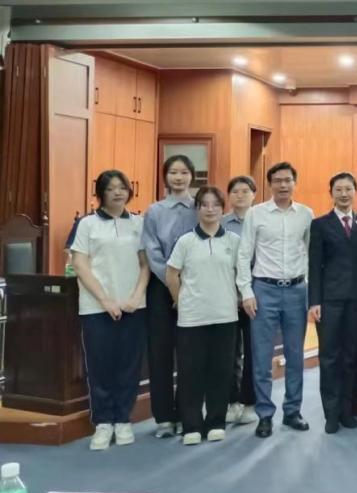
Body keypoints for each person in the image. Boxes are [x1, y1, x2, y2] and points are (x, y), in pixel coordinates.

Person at [71, 170, 149, 451]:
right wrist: (105, 300)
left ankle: (123, 419)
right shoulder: (87, 224)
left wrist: (135, 297)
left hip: (133, 306)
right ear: (101, 193)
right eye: (111, 188)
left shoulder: (139, 223)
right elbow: (80, 264)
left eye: (122, 188)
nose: (117, 192)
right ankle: (103, 422)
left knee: (129, 364)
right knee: (100, 365)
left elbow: (146, 264)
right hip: (96, 307)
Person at [237, 162, 314, 439]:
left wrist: (307, 285)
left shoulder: (306, 214)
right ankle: (265, 414)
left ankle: (292, 411)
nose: (283, 185)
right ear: (270, 184)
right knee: (261, 357)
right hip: (264, 290)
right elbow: (244, 254)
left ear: (295, 183)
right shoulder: (256, 214)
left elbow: (309, 252)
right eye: (278, 180)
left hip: (296, 291)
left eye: (288, 180)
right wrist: (247, 292)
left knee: (295, 355)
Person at [166, 186, 241, 446]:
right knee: (190, 373)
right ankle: (192, 425)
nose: (210, 209)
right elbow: (171, 275)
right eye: (204, 204)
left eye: (215, 204)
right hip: (191, 319)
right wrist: (181, 302)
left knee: (221, 372)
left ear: (223, 209)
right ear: (197, 209)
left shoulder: (233, 240)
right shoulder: (185, 241)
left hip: (225, 317)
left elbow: (241, 274)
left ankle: (216, 422)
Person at [141, 155, 198, 438]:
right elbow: (151, 251)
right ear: (165, 176)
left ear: (192, 176)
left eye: (184, 172)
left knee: (190, 353)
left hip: (195, 288)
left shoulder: (200, 207)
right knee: (160, 353)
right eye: (173, 172)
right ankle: (164, 417)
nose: (178, 177)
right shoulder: (154, 211)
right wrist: (173, 282)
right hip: (161, 288)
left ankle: (187, 414)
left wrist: (189, 283)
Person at [309, 172, 357, 434]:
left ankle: (347, 410)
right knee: (329, 357)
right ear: (331, 193)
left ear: (355, 191)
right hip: (329, 301)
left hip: (356, 301)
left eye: (348, 189)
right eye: (339, 189)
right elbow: (314, 265)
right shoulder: (320, 225)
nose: (344, 194)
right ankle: (331, 414)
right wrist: (315, 301)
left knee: (351, 356)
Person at [221, 175, 258, 425]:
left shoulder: (261, 220)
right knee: (229, 351)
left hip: (256, 296)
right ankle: (231, 401)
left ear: (254, 194)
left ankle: (249, 402)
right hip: (227, 296)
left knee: (254, 352)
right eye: (235, 191)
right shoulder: (222, 223)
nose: (240, 195)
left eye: (245, 191)